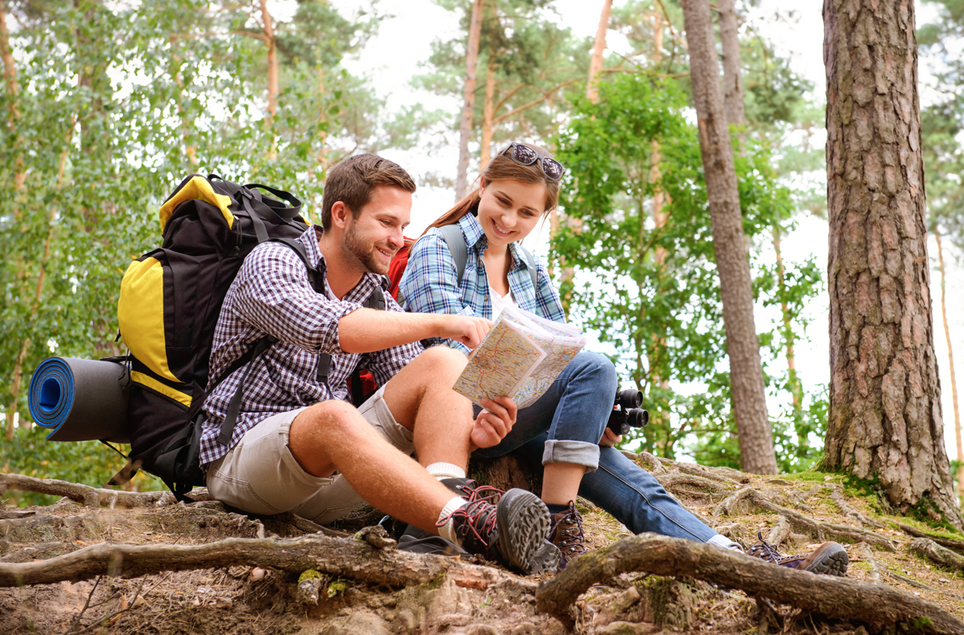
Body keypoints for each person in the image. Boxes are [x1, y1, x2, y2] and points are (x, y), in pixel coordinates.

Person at [401, 141, 849, 577]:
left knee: (628, 476)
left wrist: (595, 414)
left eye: (527, 213)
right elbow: (445, 357)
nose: (509, 218)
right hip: (463, 419)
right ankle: (557, 527)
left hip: (522, 416)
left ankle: (735, 558)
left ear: (543, 217)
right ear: (482, 185)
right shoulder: (440, 248)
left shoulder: (531, 270)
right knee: (595, 367)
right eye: (502, 201)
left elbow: (561, 350)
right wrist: (573, 391)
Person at [198, 153, 560, 575]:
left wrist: (472, 434)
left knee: (444, 362)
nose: (398, 239)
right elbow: (326, 328)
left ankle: (432, 535)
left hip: (329, 476)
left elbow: (425, 393)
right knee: (333, 416)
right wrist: (442, 320)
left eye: (404, 227)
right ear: (341, 215)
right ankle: (469, 524)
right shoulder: (274, 262)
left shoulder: (373, 294)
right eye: (387, 223)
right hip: (244, 467)